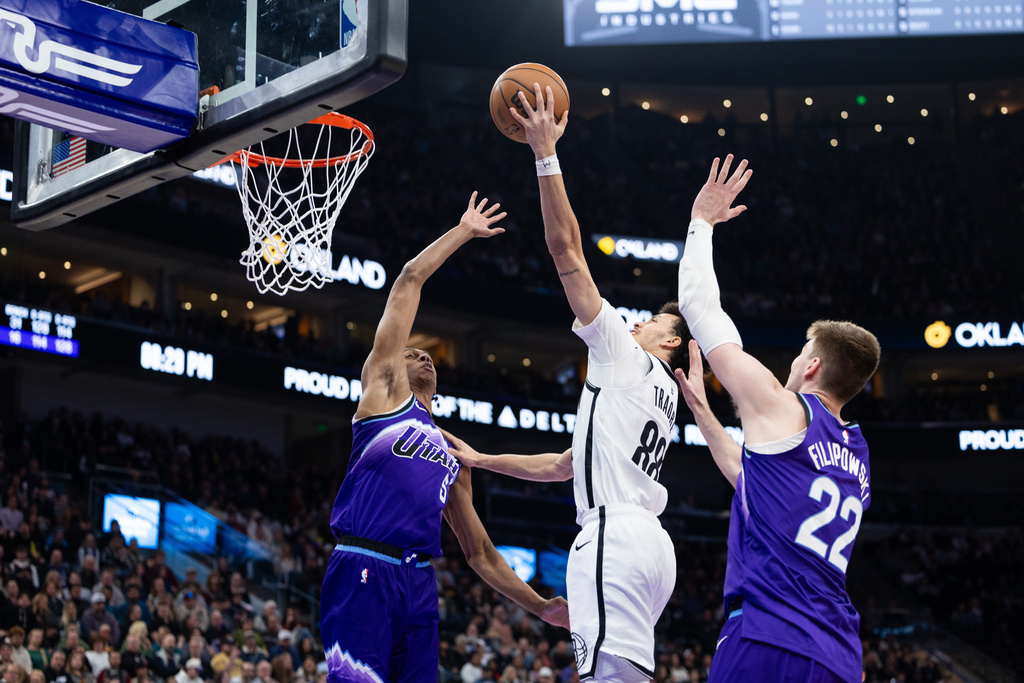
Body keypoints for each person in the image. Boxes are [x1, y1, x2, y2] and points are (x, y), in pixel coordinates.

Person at [449, 86, 688, 681]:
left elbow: (568, 254)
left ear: (670, 341)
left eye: (649, 321)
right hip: (651, 547)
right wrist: (484, 458)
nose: (632, 322)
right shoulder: (659, 393)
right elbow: (564, 465)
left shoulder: (622, 354)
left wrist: (544, 154)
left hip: (612, 537)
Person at [320, 193, 568, 682]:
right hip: (364, 562)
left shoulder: (454, 450)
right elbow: (409, 279)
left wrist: (539, 607)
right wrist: (463, 231)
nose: (424, 356)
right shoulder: (384, 393)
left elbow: (479, 553)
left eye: (430, 356)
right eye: (413, 352)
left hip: (418, 581)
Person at [673, 155, 880, 682]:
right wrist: (702, 411)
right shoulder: (856, 456)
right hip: (838, 656)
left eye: (798, 353)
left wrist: (701, 222)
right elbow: (752, 482)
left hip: (768, 637)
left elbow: (697, 305)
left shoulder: (784, 407)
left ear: (811, 366)